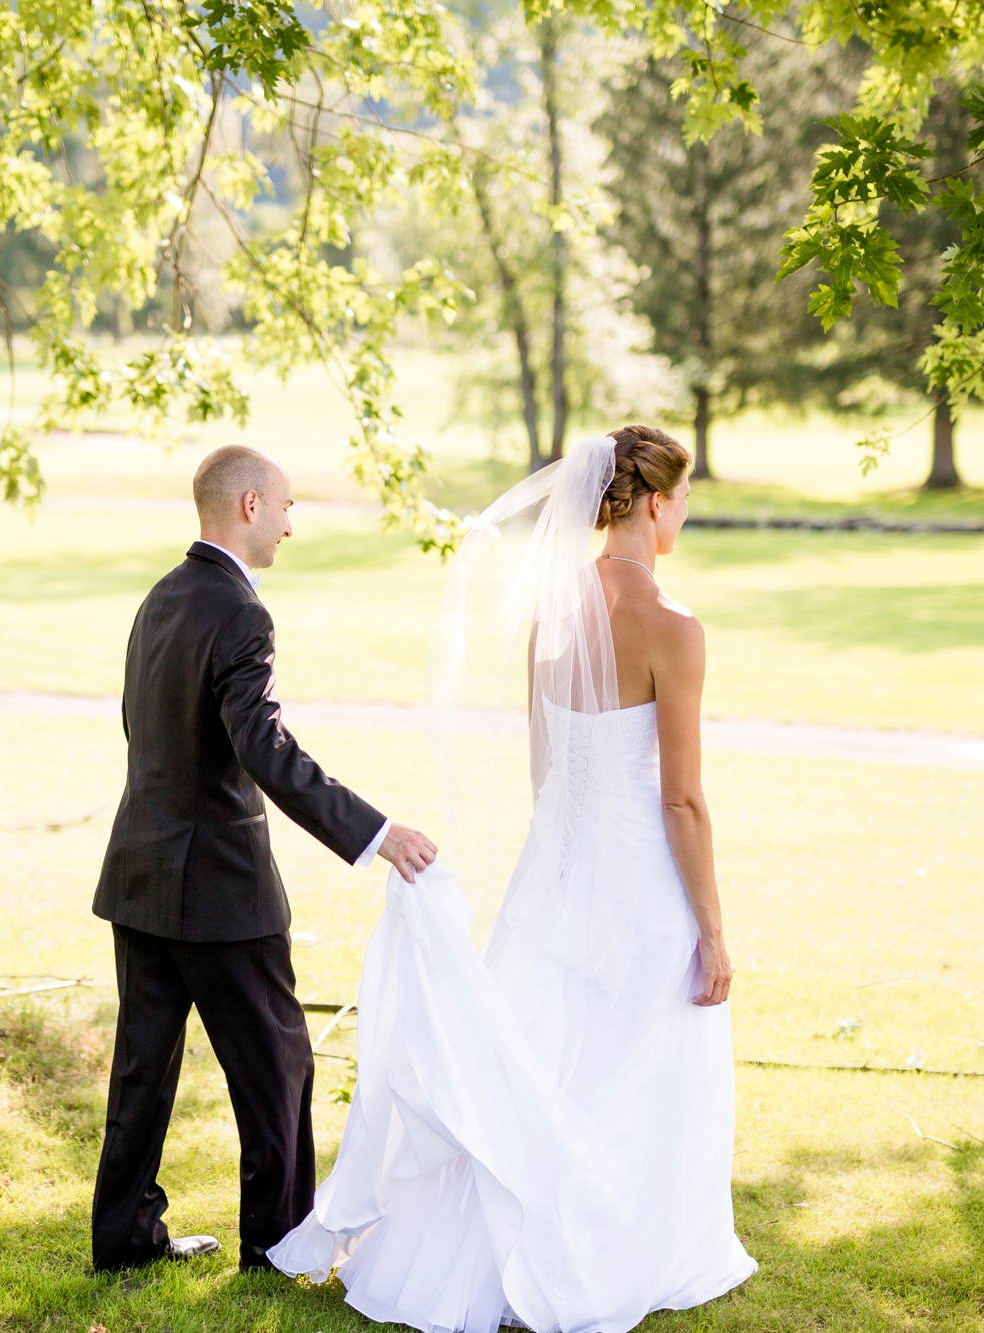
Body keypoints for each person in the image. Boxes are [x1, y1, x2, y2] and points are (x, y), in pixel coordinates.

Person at [268, 427, 756, 1331]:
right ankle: (621, 1244)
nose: (683, 513)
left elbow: (546, 770)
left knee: (540, 1052)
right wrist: (715, 929)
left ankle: (480, 1244)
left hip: (555, 869)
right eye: (682, 498)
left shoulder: (554, 611)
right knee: (634, 1057)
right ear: (654, 503)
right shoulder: (675, 629)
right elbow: (682, 800)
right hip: (639, 878)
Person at [89, 444, 439, 1273]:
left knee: (143, 1072)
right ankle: (279, 1247)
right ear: (249, 506)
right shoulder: (242, 613)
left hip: (139, 872)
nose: (291, 523)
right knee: (279, 1069)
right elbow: (266, 748)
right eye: (285, 507)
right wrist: (376, 832)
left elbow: (142, 725)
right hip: (218, 887)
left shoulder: (160, 597)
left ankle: (125, 1241)